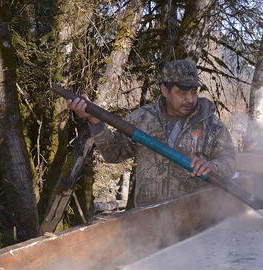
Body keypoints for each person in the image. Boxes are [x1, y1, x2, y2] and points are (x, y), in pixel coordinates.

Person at [68, 59, 236, 207]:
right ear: (165, 90)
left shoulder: (211, 124)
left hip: (194, 216)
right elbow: (113, 153)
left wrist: (212, 167)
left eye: (193, 92)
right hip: (149, 221)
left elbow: (230, 160)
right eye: (182, 93)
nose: (190, 99)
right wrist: (95, 122)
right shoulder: (142, 119)